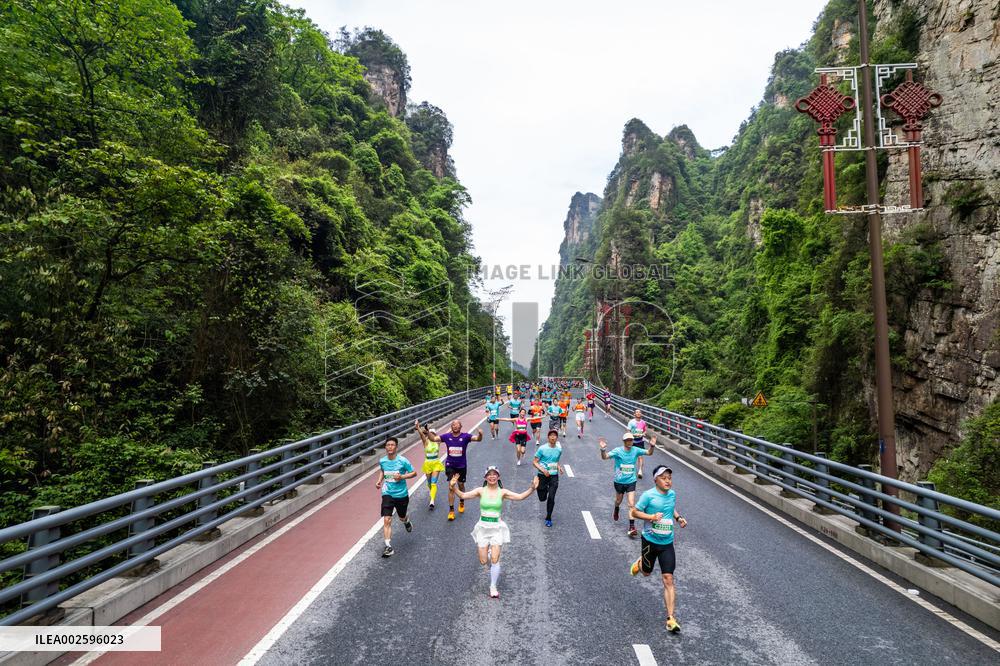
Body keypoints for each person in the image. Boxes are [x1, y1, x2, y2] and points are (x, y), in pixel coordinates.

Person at [450, 467, 538, 598]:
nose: (492, 476)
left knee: (495, 560)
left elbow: (520, 497)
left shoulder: (502, 492)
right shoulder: (480, 491)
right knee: (483, 561)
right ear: (485, 477)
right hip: (483, 528)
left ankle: (493, 586)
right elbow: (463, 495)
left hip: (497, 528)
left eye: (494, 474)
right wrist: (453, 486)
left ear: (498, 477)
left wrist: (532, 488)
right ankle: (489, 554)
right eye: (489, 474)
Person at [629, 465, 688, 632]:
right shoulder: (648, 496)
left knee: (668, 578)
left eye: (669, 478)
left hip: (667, 543)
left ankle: (671, 618)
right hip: (649, 541)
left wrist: (679, 518)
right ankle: (640, 564)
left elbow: (671, 508)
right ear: (656, 480)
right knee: (646, 572)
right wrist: (651, 517)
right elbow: (634, 512)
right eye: (664, 478)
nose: (668, 481)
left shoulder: (672, 494)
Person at [425, 420, 484, 520]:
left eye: (457, 425)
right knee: (451, 487)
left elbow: (478, 439)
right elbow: (434, 438)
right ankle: (451, 511)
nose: (455, 426)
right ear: (451, 427)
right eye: (453, 425)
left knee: (461, 485)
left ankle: (461, 501)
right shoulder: (446, 436)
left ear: (461, 426)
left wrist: (480, 434)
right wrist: (427, 432)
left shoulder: (465, 436)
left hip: (461, 466)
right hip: (450, 465)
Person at [600, 433, 655, 537]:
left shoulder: (636, 450)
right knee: (618, 501)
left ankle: (631, 527)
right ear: (624, 441)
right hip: (619, 481)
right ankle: (616, 508)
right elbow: (605, 457)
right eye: (628, 440)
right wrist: (603, 450)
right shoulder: (618, 451)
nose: (630, 442)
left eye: (631, 440)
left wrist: (652, 446)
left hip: (631, 481)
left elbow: (649, 453)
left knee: (631, 503)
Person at [375, 437, 417, 557]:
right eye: (388, 445)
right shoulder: (382, 461)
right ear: (385, 447)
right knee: (387, 519)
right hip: (387, 493)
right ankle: (388, 546)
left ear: (396, 447)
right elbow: (382, 471)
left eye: (392, 445)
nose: (390, 447)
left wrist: (402, 477)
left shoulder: (403, 461)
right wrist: (379, 481)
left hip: (401, 494)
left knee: (401, 517)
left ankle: (406, 521)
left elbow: (414, 473)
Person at [533, 429, 564, 527]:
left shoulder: (559, 450)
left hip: (553, 475)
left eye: (555, 435)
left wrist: (559, 467)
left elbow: (556, 461)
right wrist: (543, 470)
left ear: (557, 438)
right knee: (542, 498)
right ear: (548, 437)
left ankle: (548, 517)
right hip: (542, 475)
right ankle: (545, 489)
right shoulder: (542, 448)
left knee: (551, 497)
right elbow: (534, 462)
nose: (553, 437)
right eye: (551, 435)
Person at [413, 420, 446, 510]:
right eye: (430, 433)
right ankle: (432, 494)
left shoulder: (437, 442)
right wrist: (418, 427)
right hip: (427, 464)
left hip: (436, 463)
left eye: (433, 433)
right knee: (429, 483)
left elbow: (446, 436)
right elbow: (421, 435)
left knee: (433, 482)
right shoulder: (425, 442)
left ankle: (432, 500)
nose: (432, 435)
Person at [627, 409, 649, 479]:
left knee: (640, 456)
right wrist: (634, 435)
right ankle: (630, 470)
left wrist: (643, 434)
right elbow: (628, 431)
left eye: (639, 412)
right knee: (631, 456)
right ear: (634, 414)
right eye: (637, 412)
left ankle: (640, 471)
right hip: (632, 441)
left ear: (641, 414)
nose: (638, 413)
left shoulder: (643, 422)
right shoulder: (631, 422)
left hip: (640, 441)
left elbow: (645, 431)